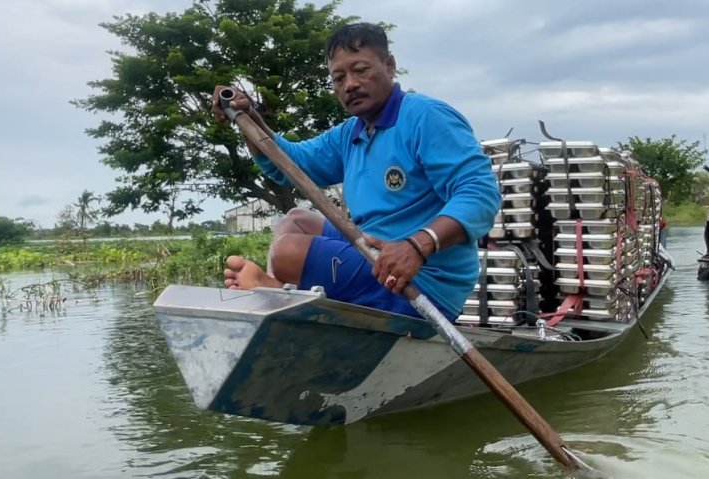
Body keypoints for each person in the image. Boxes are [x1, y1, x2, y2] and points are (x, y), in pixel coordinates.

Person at [211, 22, 500, 321]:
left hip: (424, 282)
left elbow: (480, 193)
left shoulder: (426, 117)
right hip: (375, 255)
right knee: (295, 220)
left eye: (360, 70)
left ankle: (275, 289)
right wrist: (249, 118)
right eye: (338, 77)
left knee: (288, 252)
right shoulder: (351, 134)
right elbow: (289, 165)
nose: (349, 84)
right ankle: (282, 290)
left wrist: (417, 246)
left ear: (389, 66)